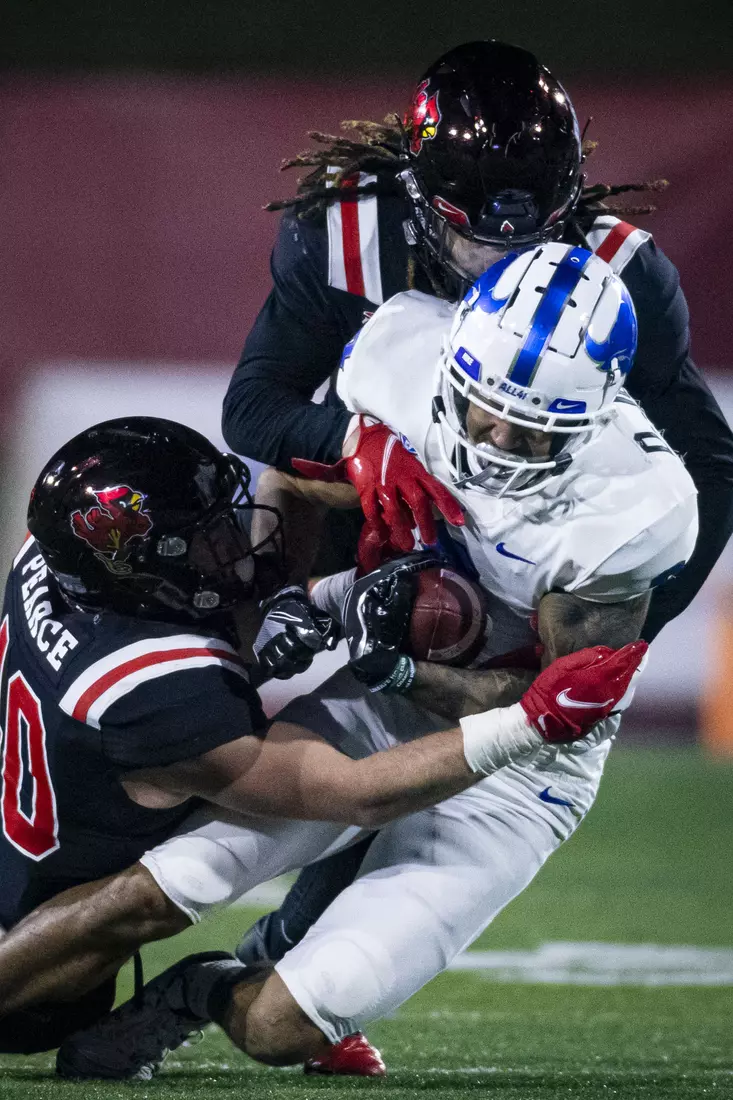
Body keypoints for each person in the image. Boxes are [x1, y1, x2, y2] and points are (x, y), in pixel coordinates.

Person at [11, 246, 691, 1081]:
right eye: (484, 410)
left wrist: (385, 657)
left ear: (599, 410)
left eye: (537, 428)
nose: (501, 440)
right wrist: (311, 587)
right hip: (385, 691)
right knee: (161, 886)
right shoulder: (396, 351)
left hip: (522, 759)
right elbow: (290, 477)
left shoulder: (627, 512)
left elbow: (549, 705)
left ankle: (204, 990)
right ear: (453, 362)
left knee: (281, 1029)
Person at [225, 47, 733, 1064]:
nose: (497, 253)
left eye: (532, 225)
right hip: (373, 492)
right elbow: (255, 410)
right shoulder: (348, 238)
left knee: (477, 727)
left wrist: (608, 628)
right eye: (468, 225)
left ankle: (296, 945)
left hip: (512, 550)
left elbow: (707, 471)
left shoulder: (621, 271)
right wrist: (356, 446)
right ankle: (182, 741)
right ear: (421, 194)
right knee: (248, 553)